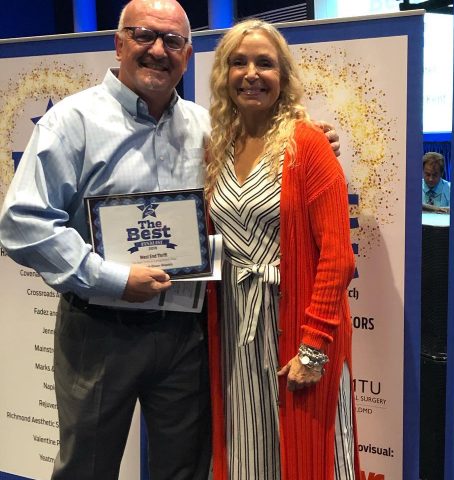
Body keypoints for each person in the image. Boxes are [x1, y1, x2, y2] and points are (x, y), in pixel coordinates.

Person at [0, 1, 343, 478]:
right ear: (119, 43)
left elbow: (261, 161)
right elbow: (22, 222)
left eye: (173, 41)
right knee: (86, 469)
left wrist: (308, 140)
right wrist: (112, 278)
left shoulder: (207, 127)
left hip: (188, 333)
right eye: (144, 35)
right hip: (100, 329)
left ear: (188, 55)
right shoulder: (72, 121)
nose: (158, 50)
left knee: (185, 470)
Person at [205, 19, 360, 480]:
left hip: (297, 328)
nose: (251, 74)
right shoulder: (219, 146)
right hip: (236, 327)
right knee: (248, 449)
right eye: (239, 62)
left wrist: (313, 347)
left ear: (283, 76)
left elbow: (337, 256)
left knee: (308, 454)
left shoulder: (307, 144)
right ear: (224, 74)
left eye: (265, 64)